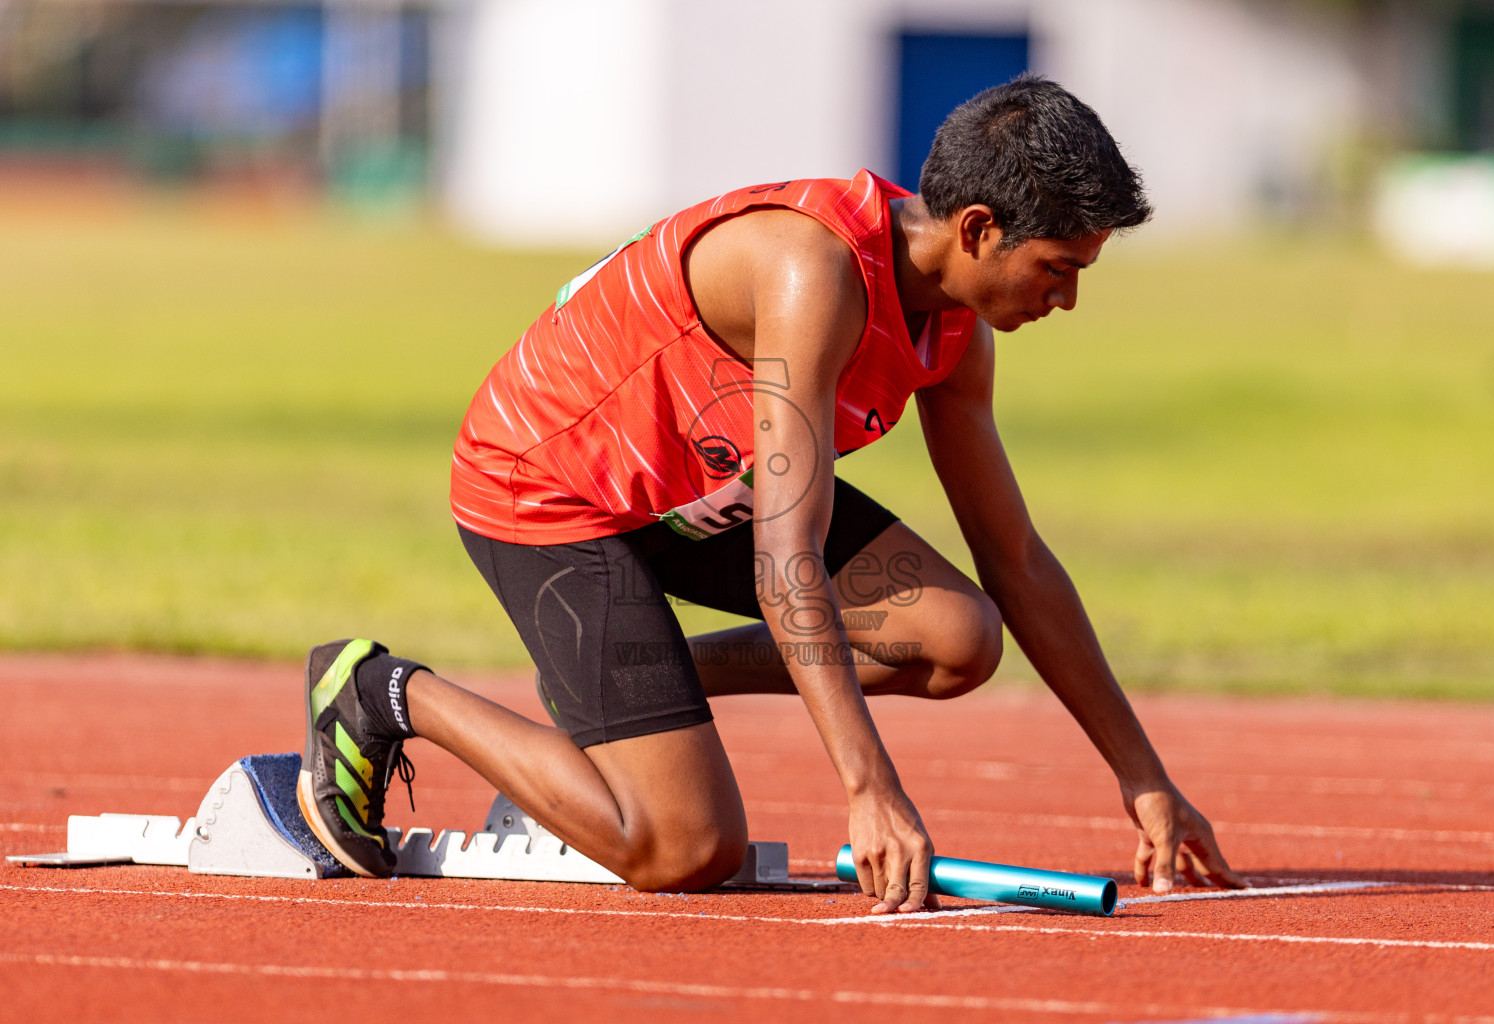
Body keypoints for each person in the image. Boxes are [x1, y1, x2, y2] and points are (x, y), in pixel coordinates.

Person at [296, 74, 1247, 914]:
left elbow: (1016, 561)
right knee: (683, 849)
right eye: (1059, 270)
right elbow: (784, 558)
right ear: (976, 230)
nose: (1068, 301)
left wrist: (1142, 775)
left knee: (960, 638)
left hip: (691, 489)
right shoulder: (813, 270)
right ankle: (378, 691)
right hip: (551, 485)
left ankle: (628, 694)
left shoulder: (957, 331)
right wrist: (869, 788)